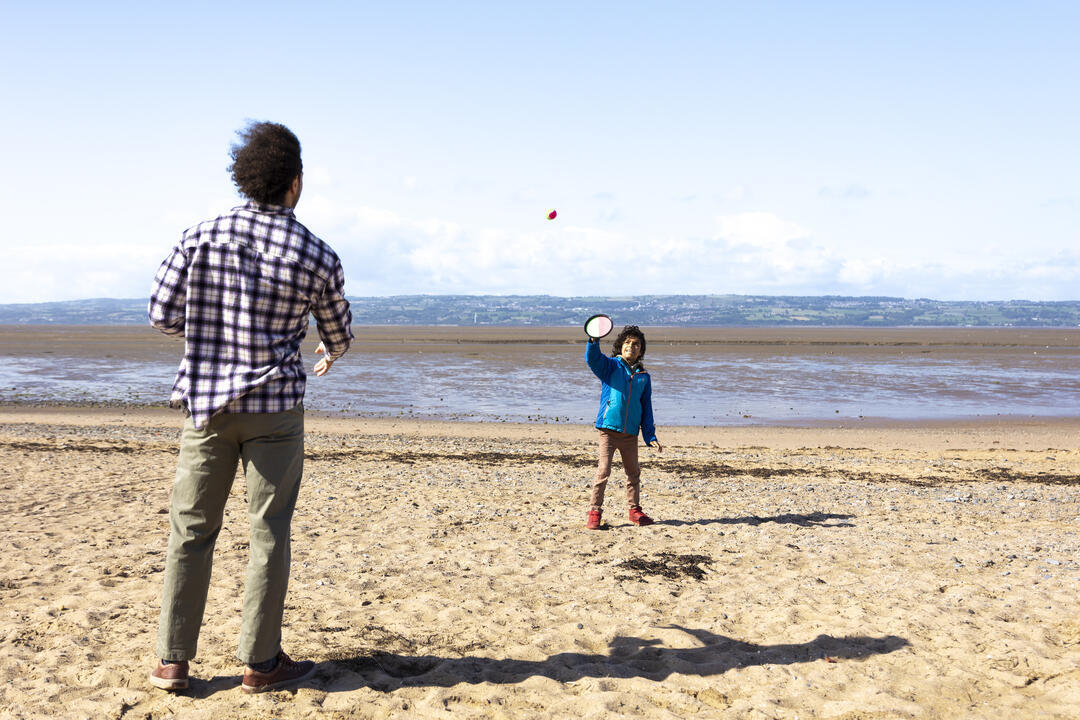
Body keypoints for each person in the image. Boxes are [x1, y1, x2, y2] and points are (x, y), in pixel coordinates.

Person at [146, 121, 353, 694]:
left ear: (246, 177)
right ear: (294, 182)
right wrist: (329, 351)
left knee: (190, 531)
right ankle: (260, 664)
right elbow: (337, 329)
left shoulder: (200, 236)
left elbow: (161, 313)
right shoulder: (315, 250)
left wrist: (211, 331)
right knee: (268, 533)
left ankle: (172, 660)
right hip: (276, 410)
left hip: (207, 407)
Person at [584, 324, 662, 529]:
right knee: (603, 472)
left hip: (630, 434)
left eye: (636, 344)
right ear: (620, 346)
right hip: (608, 430)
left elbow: (646, 407)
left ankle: (635, 511)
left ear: (641, 350)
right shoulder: (610, 367)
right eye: (627, 342)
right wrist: (593, 340)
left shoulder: (644, 376)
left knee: (633, 473)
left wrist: (650, 436)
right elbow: (592, 359)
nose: (631, 346)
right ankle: (594, 512)